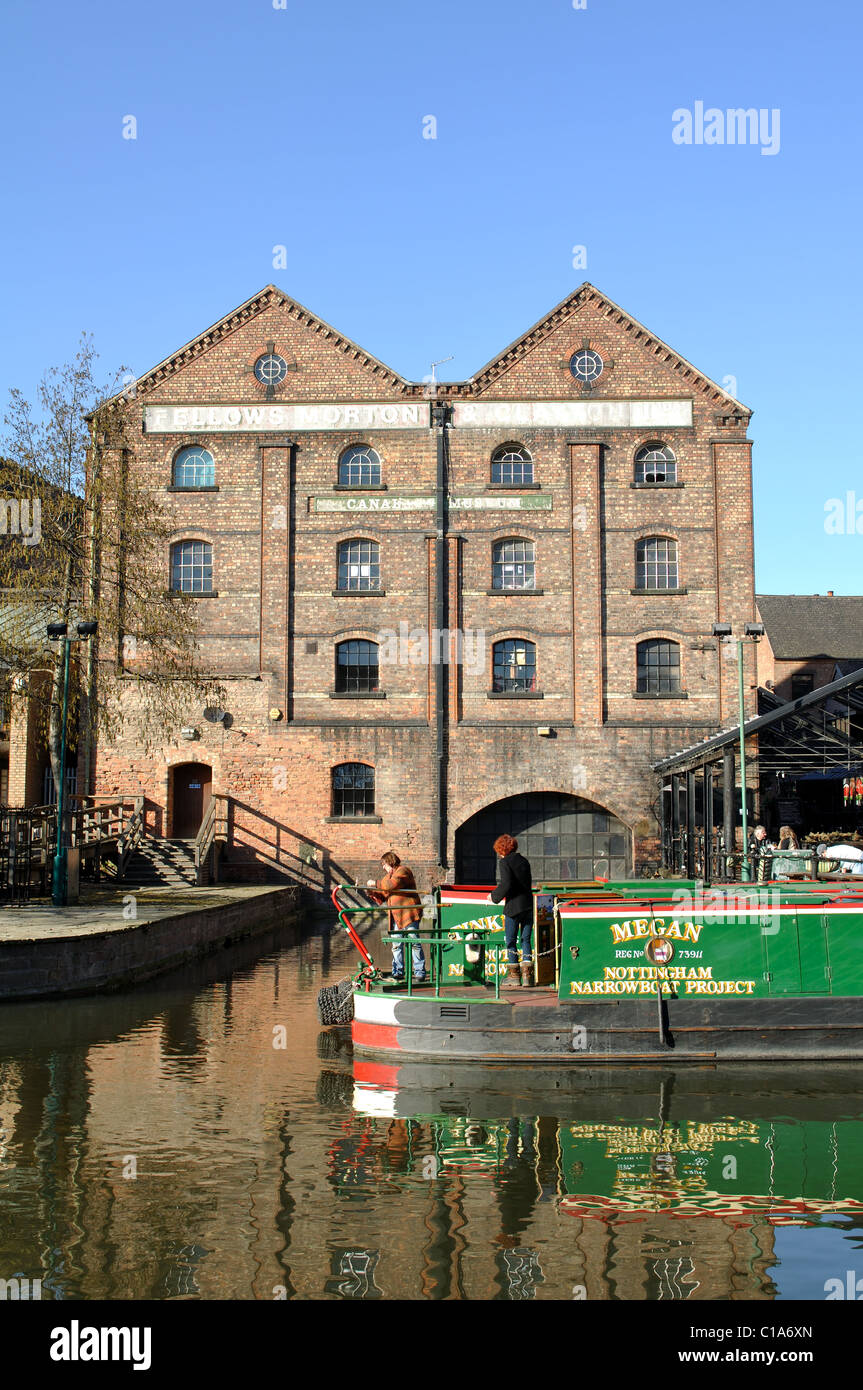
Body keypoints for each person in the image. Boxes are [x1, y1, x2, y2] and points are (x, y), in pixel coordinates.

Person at [368, 851, 427, 982]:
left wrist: (375, 883)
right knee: (396, 944)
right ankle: (398, 972)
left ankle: (419, 972)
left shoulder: (403, 871)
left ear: (390, 862)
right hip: (395, 916)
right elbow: (382, 897)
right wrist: (370, 891)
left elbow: (390, 886)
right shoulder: (387, 877)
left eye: (384, 864)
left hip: (408, 914)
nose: (383, 867)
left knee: (414, 942)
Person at [488, 834, 533, 988]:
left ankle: (514, 977)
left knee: (511, 941)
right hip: (528, 905)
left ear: (502, 849)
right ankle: (528, 977)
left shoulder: (505, 862)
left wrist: (493, 897)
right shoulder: (524, 861)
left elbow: (506, 884)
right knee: (526, 940)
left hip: (513, 907)